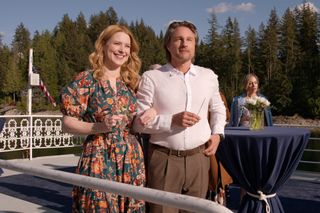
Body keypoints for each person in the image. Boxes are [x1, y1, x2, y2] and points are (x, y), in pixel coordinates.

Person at [133, 20, 226, 213]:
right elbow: (138, 123)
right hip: (163, 160)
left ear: (194, 45)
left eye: (189, 39)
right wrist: (171, 120)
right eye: (178, 39)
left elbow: (218, 108)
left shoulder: (208, 76)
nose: (184, 43)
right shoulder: (152, 77)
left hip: (199, 160)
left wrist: (217, 134)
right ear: (168, 44)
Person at [60, 24, 154, 213]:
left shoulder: (133, 82)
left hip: (131, 158)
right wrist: (99, 127)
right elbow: (66, 123)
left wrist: (151, 114)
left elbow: (138, 120)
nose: (122, 50)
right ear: (103, 45)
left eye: (127, 46)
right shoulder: (87, 80)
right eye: (117, 44)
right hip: (99, 156)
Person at [208, 91, 233, 206]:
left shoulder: (220, 95)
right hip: (205, 141)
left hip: (219, 141)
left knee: (219, 182)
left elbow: (227, 115)